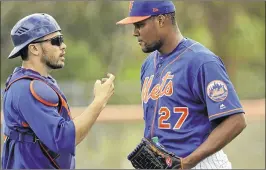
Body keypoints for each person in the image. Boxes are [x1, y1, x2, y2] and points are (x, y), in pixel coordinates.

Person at [116, 1, 247, 169]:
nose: (135, 32)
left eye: (140, 24)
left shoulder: (201, 61)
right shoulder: (147, 65)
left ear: (161, 20)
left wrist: (187, 163)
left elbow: (236, 120)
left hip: (201, 163)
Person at [1, 13, 115, 169]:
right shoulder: (27, 88)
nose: (63, 46)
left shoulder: (36, 81)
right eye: (56, 41)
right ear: (34, 48)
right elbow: (64, 139)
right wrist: (99, 101)